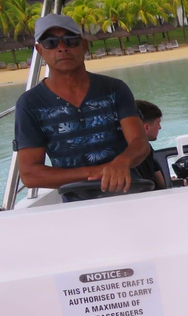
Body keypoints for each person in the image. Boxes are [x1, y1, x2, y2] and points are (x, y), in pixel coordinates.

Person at [14, 14, 150, 194]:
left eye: (70, 40)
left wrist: (121, 162)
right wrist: (95, 172)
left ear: (84, 45)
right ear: (40, 50)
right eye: (51, 43)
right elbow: (30, 174)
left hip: (130, 192)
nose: (62, 48)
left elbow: (140, 142)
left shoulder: (115, 89)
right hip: (76, 205)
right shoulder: (30, 104)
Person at [134, 100, 166, 190]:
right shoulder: (145, 148)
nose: (160, 127)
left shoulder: (114, 150)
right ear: (146, 127)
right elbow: (164, 183)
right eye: (158, 123)